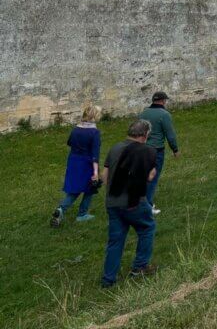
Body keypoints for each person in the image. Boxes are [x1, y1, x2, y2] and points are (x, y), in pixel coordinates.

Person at [100, 120, 158, 288]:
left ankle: (108, 279)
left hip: (113, 202)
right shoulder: (146, 151)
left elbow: (104, 176)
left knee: (115, 240)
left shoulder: (115, 148)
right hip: (134, 202)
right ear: (145, 135)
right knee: (147, 228)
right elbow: (149, 177)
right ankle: (139, 267)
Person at [51, 105, 103, 226]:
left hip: (74, 160)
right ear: (95, 117)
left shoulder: (76, 129)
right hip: (87, 163)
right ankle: (81, 213)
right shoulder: (94, 132)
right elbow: (95, 154)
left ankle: (61, 210)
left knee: (75, 188)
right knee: (90, 187)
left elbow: (69, 142)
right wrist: (95, 173)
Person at [138, 92, 180, 215]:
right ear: (162, 101)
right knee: (153, 178)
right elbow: (170, 134)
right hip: (156, 150)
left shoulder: (143, 113)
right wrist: (175, 149)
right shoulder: (164, 115)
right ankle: (148, 206)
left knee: (143, 177)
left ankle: (140, 202)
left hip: (141, 148)